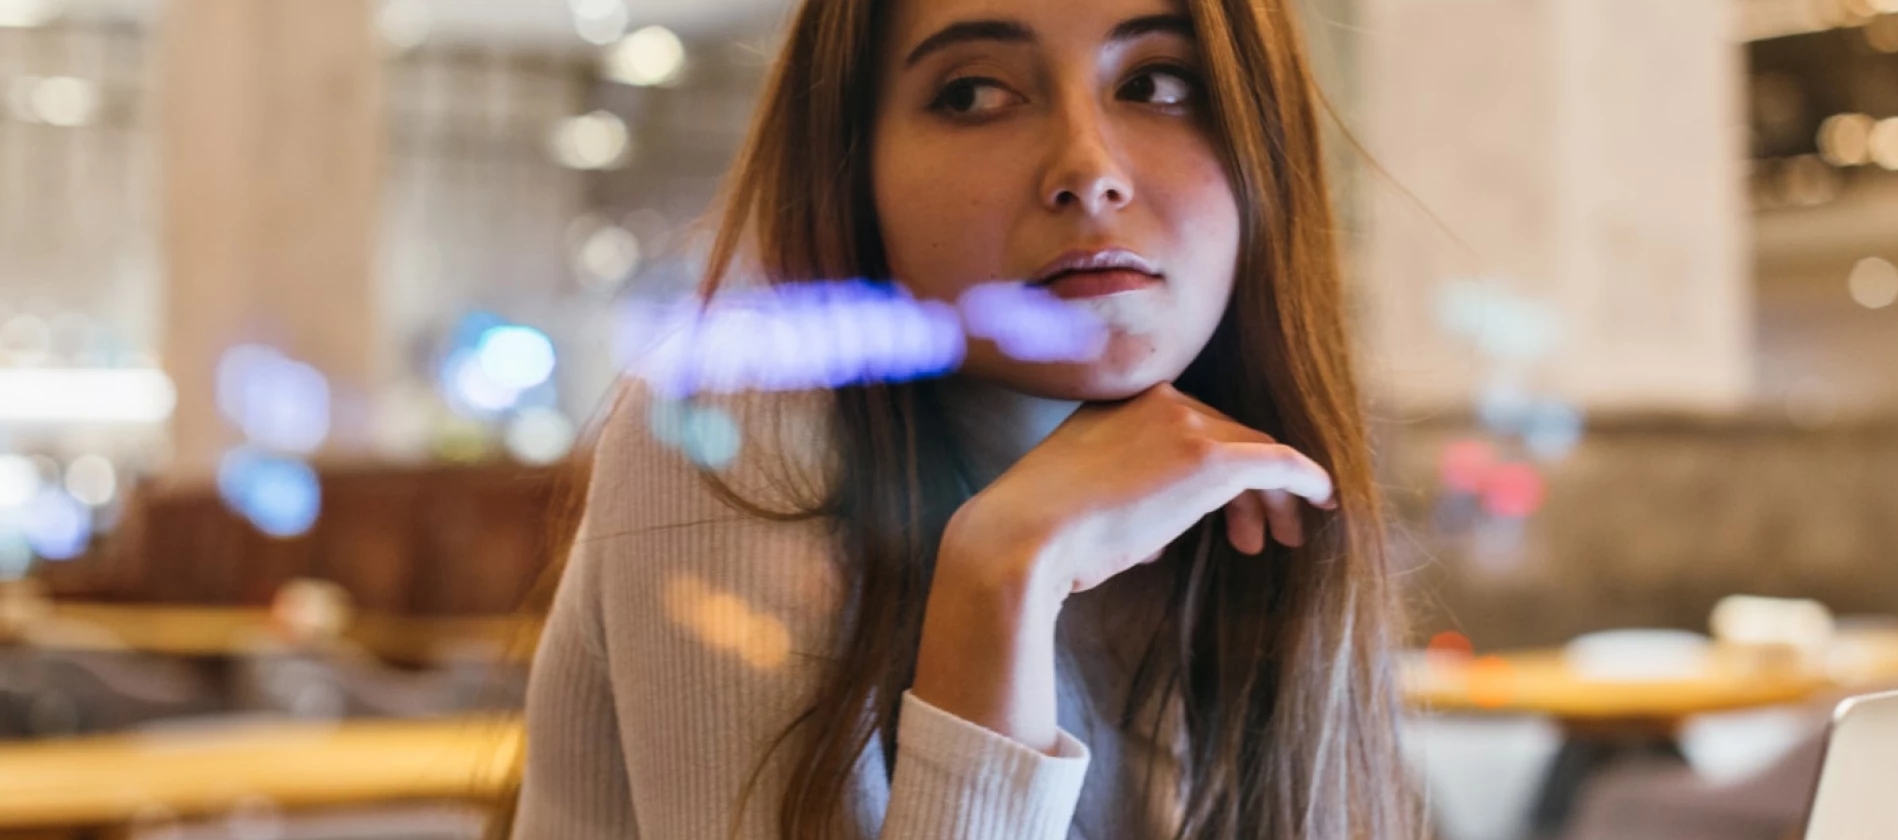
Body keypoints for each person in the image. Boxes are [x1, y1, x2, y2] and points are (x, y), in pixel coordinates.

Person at [508, 0, 1421, 837]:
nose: (1089, 171)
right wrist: (1003, 576)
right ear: (852, 166)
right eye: (975, 94)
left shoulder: (1248, 486)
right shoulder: (733, 416)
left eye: (1155, 83)